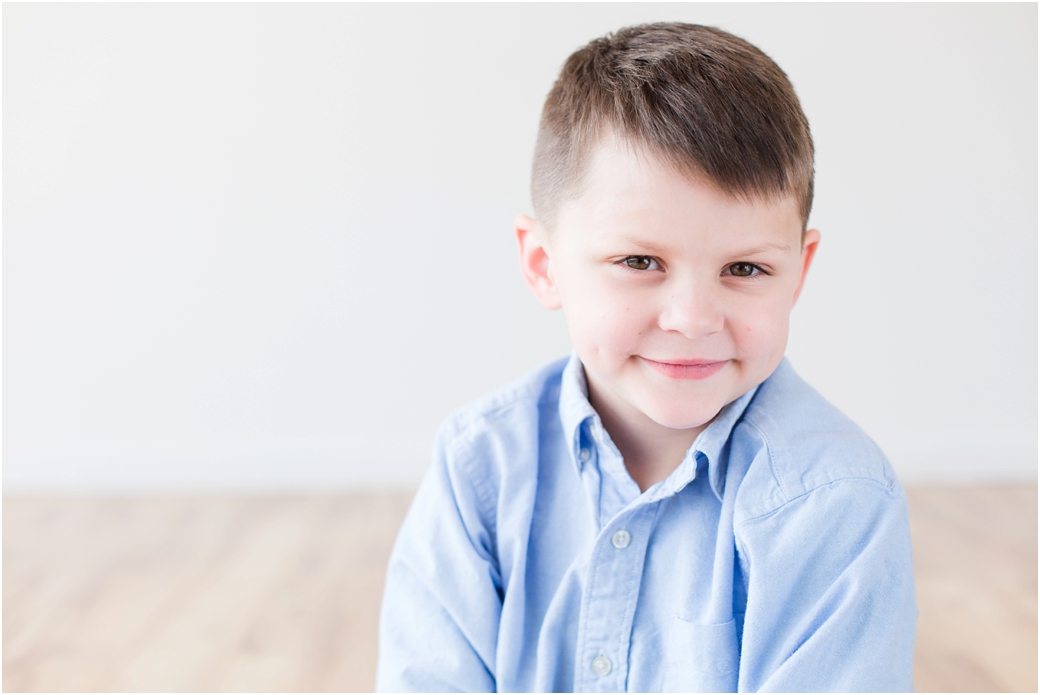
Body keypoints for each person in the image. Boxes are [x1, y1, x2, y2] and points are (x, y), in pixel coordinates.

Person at [376, 22, 916, 692]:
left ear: (798, 271)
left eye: (744, 268)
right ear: (544, 264)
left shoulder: (834, 500)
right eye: (639, 261)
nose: (692, 318)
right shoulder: (478, 468)